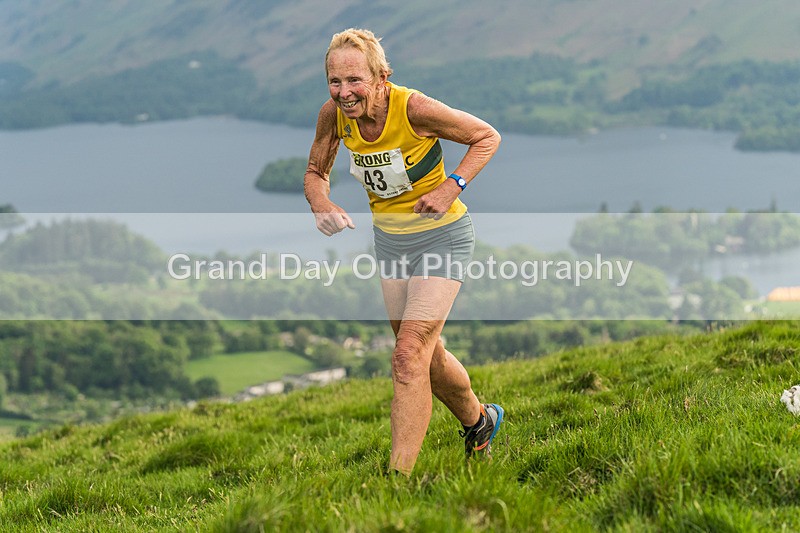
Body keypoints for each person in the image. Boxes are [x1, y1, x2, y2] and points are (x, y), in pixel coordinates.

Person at [304, 28, 503, 476]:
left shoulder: (413, 108)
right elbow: (316, 171)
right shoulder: (333, 116)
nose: (344, 92)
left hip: (442, 236)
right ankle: (480, 422)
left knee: (407, 354)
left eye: (354, 80)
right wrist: (322, 205)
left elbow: (486, 137)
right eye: (334, 82)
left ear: (380, 77)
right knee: (425, 356)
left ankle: (397, 482)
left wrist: (452, 187)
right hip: (392, 245)